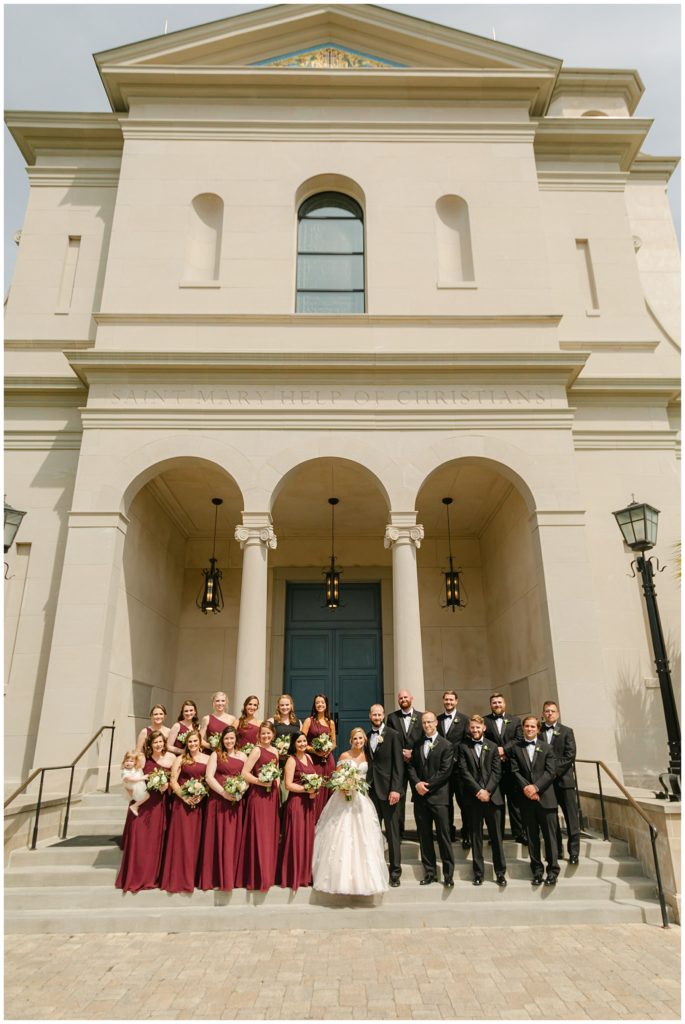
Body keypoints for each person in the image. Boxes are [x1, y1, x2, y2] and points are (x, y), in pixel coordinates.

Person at [312, 728, 388, 896]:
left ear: (364, 741)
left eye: (361, 738)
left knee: (363, 836)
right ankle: (338, 878)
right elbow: (336, 777)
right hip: (344, 797)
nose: (358, 741)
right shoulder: (344, 756)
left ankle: (366, 880)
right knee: (342, 834)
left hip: (361, 798)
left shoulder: (367, 756)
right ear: (350, 740)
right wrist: (344, 786)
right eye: (355, 738)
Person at [116, 730, 174, 892]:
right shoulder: (143, 760)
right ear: (149, 744)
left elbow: (173, 781)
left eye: (160, 742)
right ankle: (137, 876)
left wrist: (165, 786)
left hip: (159, 804)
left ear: (164, 743)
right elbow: (130, 777)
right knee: (141, 840)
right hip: (143, 803)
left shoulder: (171, 759)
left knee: (155, 840)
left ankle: (154, 876)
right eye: (155, 742)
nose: (158, 745)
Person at [508, 716, 559, 886]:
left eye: (532, 726)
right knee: (532, 837)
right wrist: (527, 789)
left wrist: (536, 788)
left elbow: (550, 772)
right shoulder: (516, 748)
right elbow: (514, 771)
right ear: (523, 728)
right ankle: (537, 870)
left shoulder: (547, 748)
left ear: (538, 729)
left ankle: (552, 870)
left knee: (549, 838)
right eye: (526, 726)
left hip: (546, 799)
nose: (529, 729)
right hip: (526, 800)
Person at [407, 711, 454, 887]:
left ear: (436, 723)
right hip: (420, 798)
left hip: (439, 798)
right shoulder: (417, 744)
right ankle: (430, 872)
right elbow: (410, 766)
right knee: (424, 837)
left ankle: (448, 875)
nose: (426, 725)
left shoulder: (446, 745)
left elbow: (445, 771)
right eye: (424, 723)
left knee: (443, 836)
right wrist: (417, 783)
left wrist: (427, 785)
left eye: (429, 722)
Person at [458, 715, 507, 887]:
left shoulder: (493, 747)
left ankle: (500, 873)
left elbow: (497, 772)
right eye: (472, 728)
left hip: (493, 798)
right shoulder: (463, 747)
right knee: (476, 838)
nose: (475, 730)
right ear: (469, 729)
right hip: (473, 798)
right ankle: (478, 873)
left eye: (478, 728)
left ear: (484, 728)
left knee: (496, 837)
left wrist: (488, 791)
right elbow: (464, 772)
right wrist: (478, 791)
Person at [159, 730, 209, 893]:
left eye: (195, 741)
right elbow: (173, 780)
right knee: (181, 840)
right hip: (182, 805)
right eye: (190, 742)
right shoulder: (181, 759)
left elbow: (208, 781)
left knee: (196, 840)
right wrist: (183, 796)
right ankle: (177, 877)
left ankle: (193, 876)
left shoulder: (208, 759)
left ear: (200, 742)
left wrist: (200, 796)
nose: (193, 744)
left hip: (200, 806)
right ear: (186, 744)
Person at [198, 725, 246, 891]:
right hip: (218, 801)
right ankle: (213, 877)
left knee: (232, 839)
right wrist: (223, 793)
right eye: (226, 738)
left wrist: (241, 789)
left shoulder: (243, 756)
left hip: (235, 802)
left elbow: (245, 778)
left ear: (236, 739)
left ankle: (229, 876)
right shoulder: (215, 754)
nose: (229, 741)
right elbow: (209, 777)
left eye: (232, 738)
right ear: (222, 740)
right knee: (215, 837)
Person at [240, 721, 281, 891]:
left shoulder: (276, 751)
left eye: (268, 733)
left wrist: (276, 788)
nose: (265, 736)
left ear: (273, 735)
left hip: (271, 797)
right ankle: (256, 876)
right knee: (258, 833)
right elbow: (244, 773)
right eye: (263, 733)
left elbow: (277, 773)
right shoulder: (257, 750)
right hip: (258, 796)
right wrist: (260, 782)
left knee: (269, 835)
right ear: (259, 735)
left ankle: (267, 874)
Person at [366, 704, 403, 887]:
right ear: (370, 716)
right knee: (373, 833)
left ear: (383, 715)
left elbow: (399, 765)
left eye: (379, 714)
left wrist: (396, 789)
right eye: (374, 714)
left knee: (392, 833)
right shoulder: (365, 736)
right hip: (371, 792)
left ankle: (395, 872)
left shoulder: (393, 735)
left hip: (389, 792)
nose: (377, 716)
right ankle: (374, 870)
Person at [541, 701, 580, 864]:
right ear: (543, 714)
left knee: (571, 817)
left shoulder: (566, 731)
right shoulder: (538, 731)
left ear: (557, 713)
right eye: (547, 711)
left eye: (552, 711)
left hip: (564, 781)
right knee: (552, 819)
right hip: (547, 784)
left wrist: (553, 772)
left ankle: (574, 852)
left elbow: (570, 755)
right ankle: (557, 850)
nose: (549, 714)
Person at [277, 732, 317, 891]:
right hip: (296, 804)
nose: (301, 744)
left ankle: (304, 876)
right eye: (299, 741)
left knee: (307, 839)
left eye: (304, 741)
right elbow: (288, 784)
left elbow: (314, 778)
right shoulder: (291, 761)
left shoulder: (309, 758)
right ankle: (292, 876)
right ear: (294, 744)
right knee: (295, 839)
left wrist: (315, 789)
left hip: (309, 804)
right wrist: (307, 789)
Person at [483, 693, 525, 843]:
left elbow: (519, 739)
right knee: (496, 804)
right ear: (490, 705)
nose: (497, 705)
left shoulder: (515, 721)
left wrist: (504, 750)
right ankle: (496, 835)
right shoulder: (485, 721)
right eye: (494, 703)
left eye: (499, 702)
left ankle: (519, 833)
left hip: (511, 768)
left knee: (515, 802)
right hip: (493, 769)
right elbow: (484, 740)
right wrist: (496, 751)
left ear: (504, 703)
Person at [386, 689, 424, 838]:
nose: (403, 700)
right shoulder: (392, 717)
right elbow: (389, 738)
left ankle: (422, 832)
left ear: (411, 698)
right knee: (398, 799)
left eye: (405, 697)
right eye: (400, 698)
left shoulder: (421, 717)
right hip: (399, 764)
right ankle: (399, 832)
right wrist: (401, 752)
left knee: (420, 799)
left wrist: (413, 753)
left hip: (417, 765)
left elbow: (424, 738)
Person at [437, 689, 471, 846]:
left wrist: (458, 759)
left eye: (451, 700)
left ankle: (467, 834)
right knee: (446, 802)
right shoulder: (437, 720)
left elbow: (467, 743)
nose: (449, 702)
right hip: (443, 770)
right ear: (443, 701)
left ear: (456, 701)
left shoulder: (464, 719)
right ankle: (448, 832)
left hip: (459, 769)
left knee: (464, 801)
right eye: (446, 700)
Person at [303, 694, 336, 822]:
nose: (320, 705)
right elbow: (301, 741)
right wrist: (315, 751)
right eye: (317, 702)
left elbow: (333, 742)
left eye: (322, 702)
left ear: (326, 705)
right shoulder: (308, 721)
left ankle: (326, 823)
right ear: (314, 705)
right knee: (315, 788)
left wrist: (328, 750)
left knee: (327, 789)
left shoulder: (330, 722)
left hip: (328, 761)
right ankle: (313, 821)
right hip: (314, 760)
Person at [120, 750, 149, 817]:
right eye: (127, 761)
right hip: (134, 787)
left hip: (137, 786)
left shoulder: (135, 768)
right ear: (124, 761)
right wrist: (142, 778)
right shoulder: (125, 771)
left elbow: (141, 766)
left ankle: (136, 805)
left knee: (145, 796)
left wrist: (142, 755)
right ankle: (134, 806)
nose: (128, 763)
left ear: (135, 762)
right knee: (147, 796)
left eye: (131, 761)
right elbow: (131, 779)